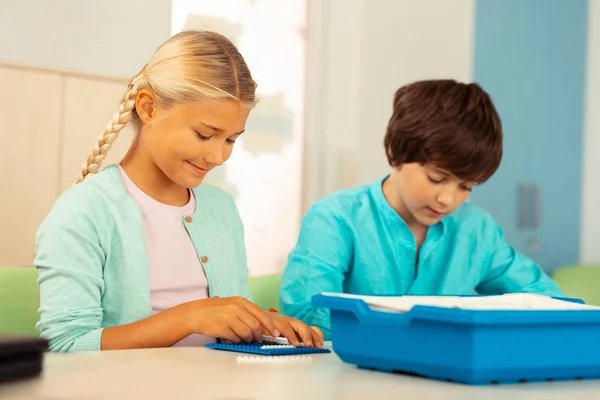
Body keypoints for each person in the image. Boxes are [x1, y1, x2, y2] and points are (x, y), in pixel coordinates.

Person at [35, 30, 323, 352]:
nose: (218, 157)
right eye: (204, 135)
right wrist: (188, 317)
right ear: (148, 109)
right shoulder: (85, 211)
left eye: (230, 140)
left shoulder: (220, 210)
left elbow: (227, 320)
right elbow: (64, 345)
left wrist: (265, 326)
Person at [279, 79, 563, 339]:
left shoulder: (476, 230)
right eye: (436, 178)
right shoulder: (335, 220)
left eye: (466, 187)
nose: (447, 199)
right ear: (394, 151)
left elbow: (547, 303)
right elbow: (306, 319)